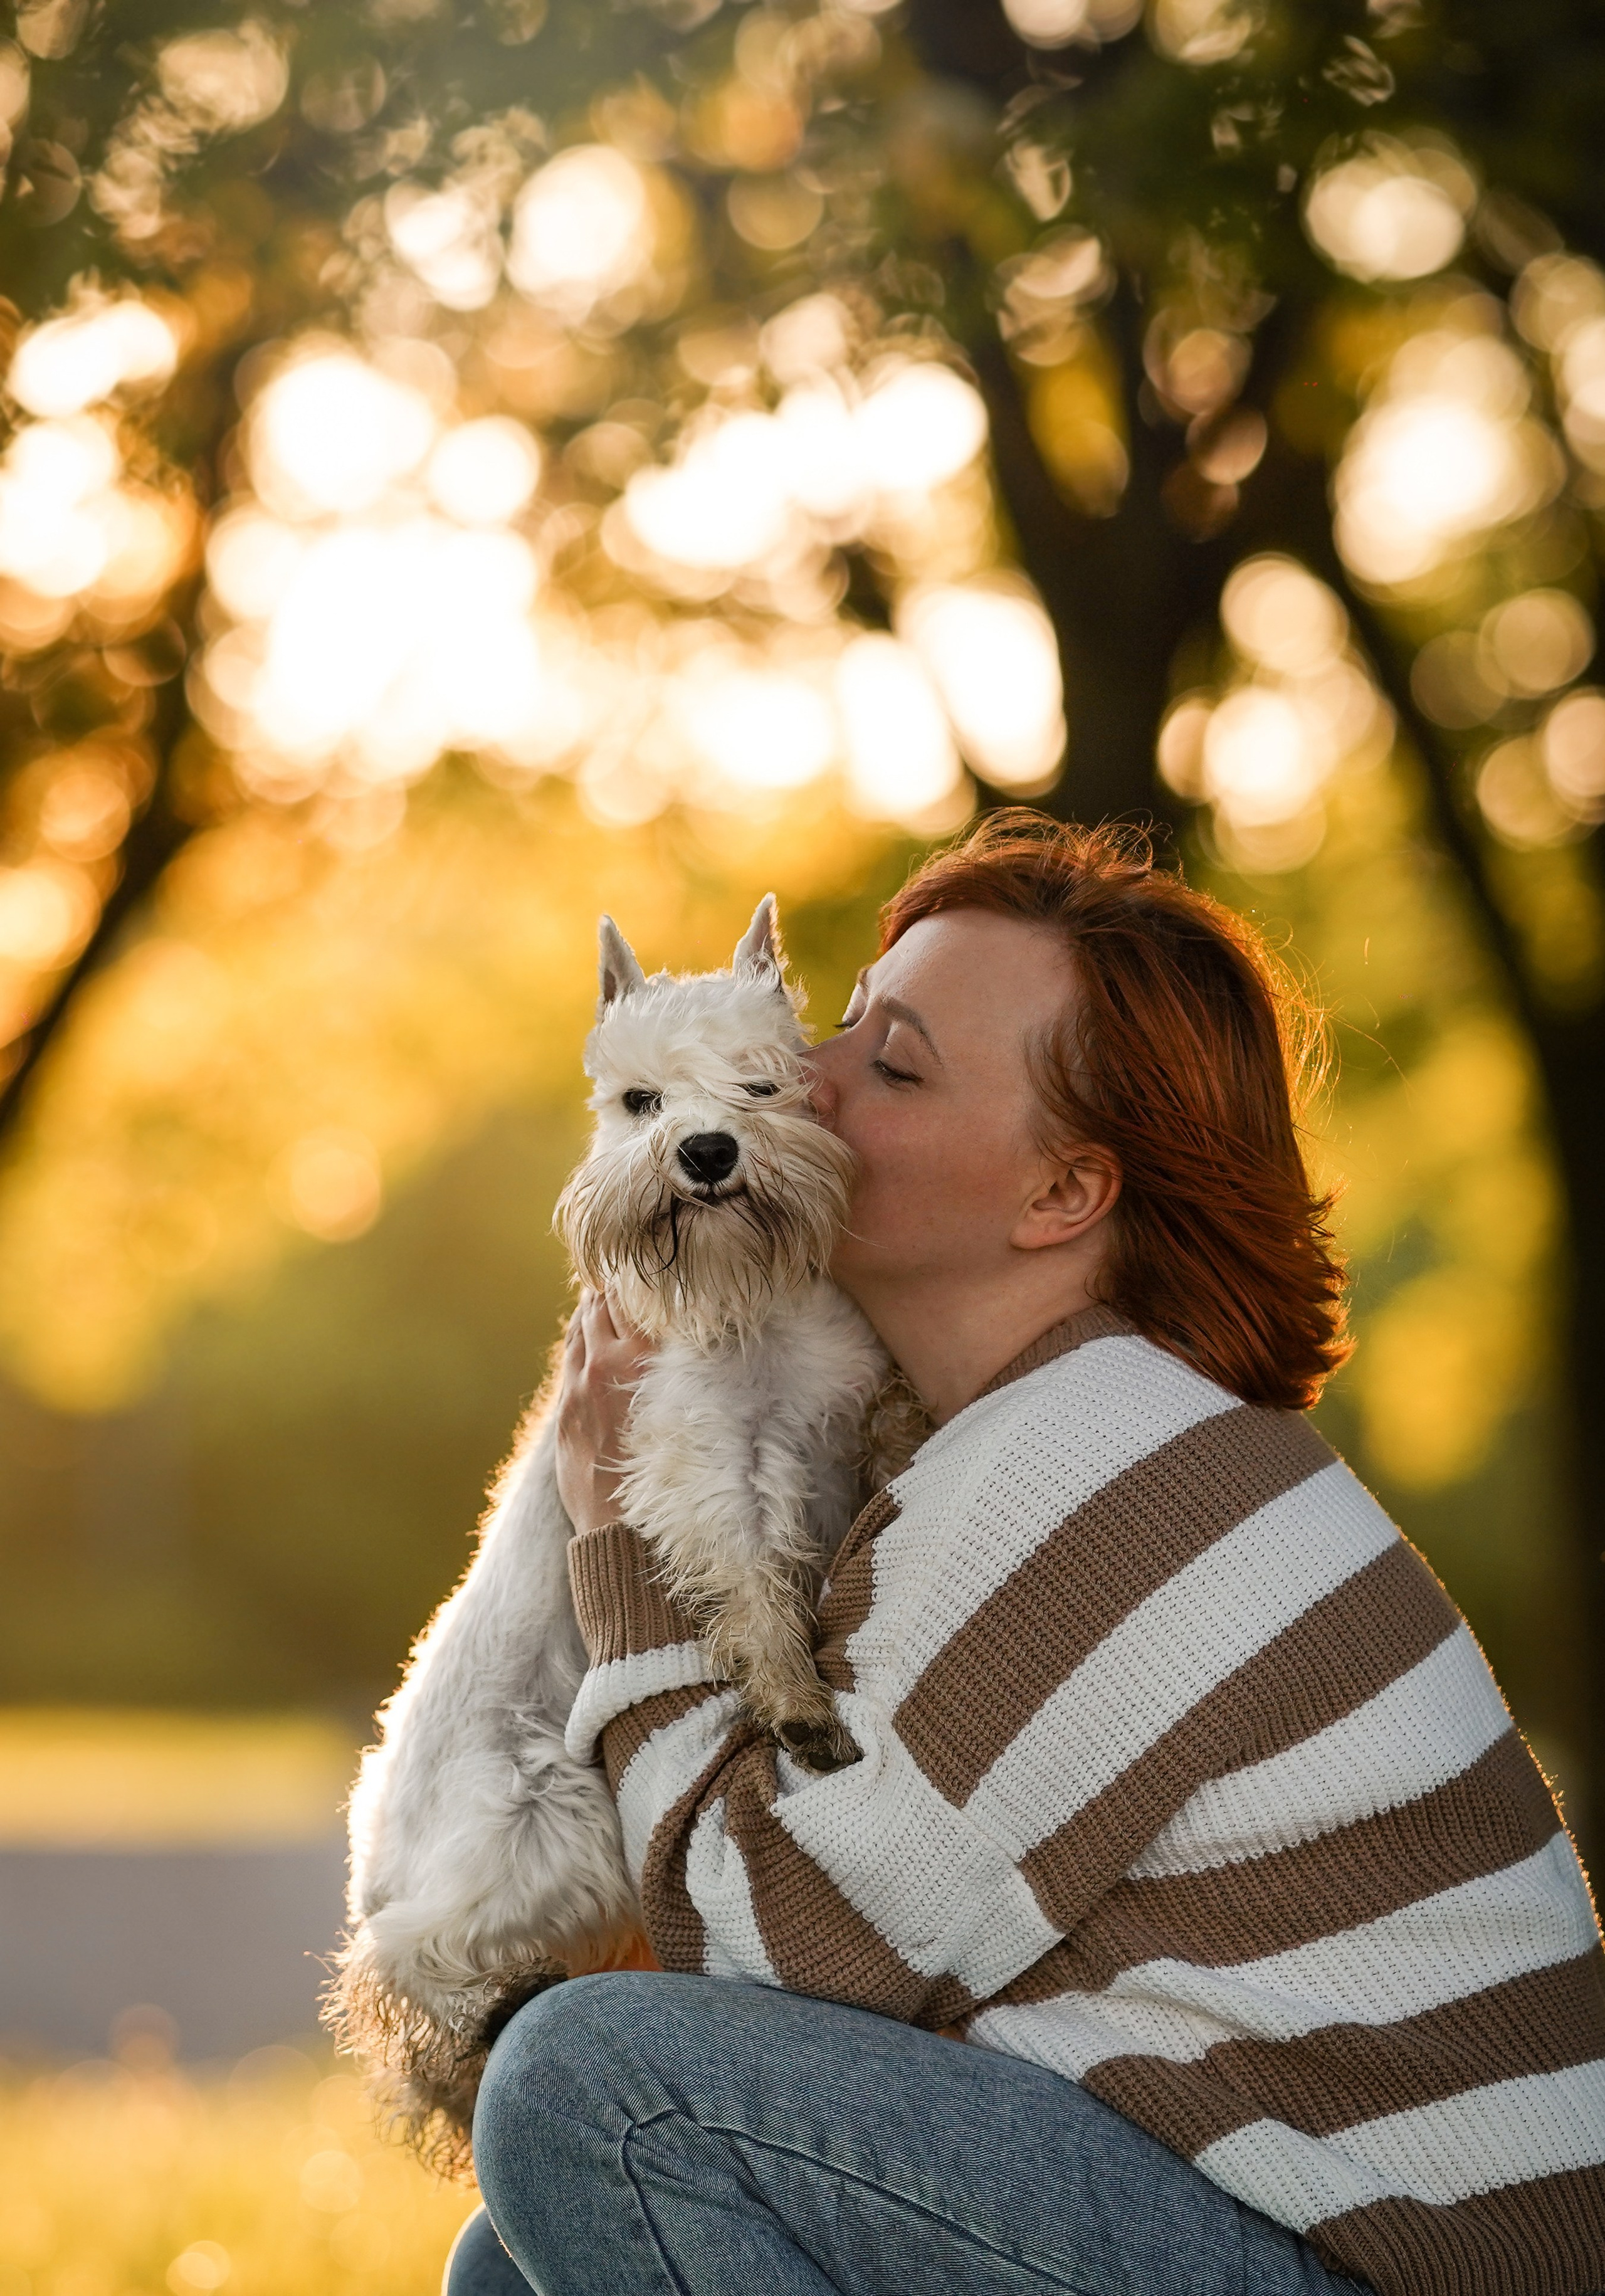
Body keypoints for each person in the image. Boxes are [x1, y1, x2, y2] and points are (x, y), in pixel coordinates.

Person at [446, 814, 1605, 2296]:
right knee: (516, 2261)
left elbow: (783, 1946)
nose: (811, 1073)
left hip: (1383, 2258)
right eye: (846, 1022)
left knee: (595, 2084)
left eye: (895, 1062)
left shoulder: (1088, 1463)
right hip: (1264, 2191)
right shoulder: (1041, 1435)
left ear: (1062, 1193)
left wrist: (616, 1538)